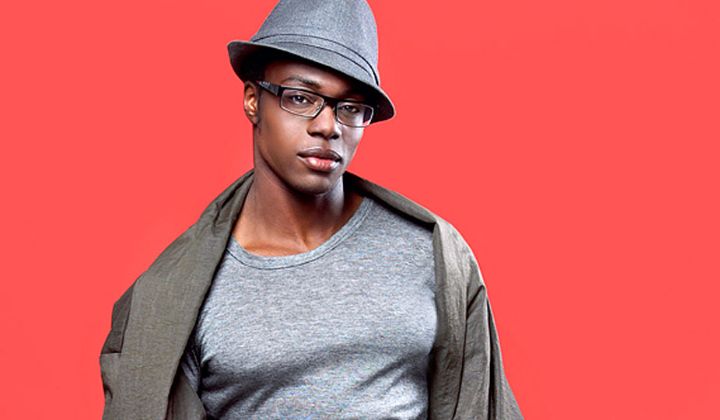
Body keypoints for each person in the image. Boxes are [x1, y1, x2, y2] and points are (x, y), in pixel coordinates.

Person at [99, 1, 523, 419]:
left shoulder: (432, 252)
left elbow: (479, 403)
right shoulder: (176, 295)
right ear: (253, 100)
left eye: (350, 107)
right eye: (301, 98)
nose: (328, 126)